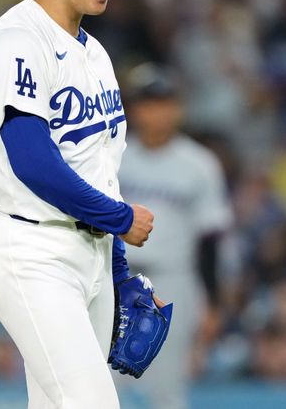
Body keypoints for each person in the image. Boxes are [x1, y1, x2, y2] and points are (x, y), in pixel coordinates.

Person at [0, 0, 156, 408]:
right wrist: (119, 219)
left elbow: (100, 173)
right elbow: (31, 159)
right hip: (35, 254)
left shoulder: (94, 54)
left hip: (91, 256)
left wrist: (117, 271)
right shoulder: (17, 39)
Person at [117, 63, 234, 409]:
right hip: (118, 278)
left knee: (167, 388)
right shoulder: (113, 155)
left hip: (173, 279)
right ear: (136, 109)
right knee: (103, 384)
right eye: (148, 103)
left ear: (177, 108)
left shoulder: (199, 164)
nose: (156, 112)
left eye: (164, 102)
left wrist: (212, 302)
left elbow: (210, 237)